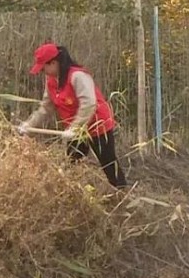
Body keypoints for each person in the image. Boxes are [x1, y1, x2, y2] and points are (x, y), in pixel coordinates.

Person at [17, 42, 128, 189]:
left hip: (97, 125)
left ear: (54, 63)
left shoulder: (77, 76)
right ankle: (73, 196)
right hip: (75, 130)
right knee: (72, 163)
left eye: (44, 67)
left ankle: (121, 194)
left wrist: (75, 128)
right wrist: (29, 125)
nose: (43, 71)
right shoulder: (51, 81)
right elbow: (45, 108)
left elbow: (89, 104)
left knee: (108, 162)